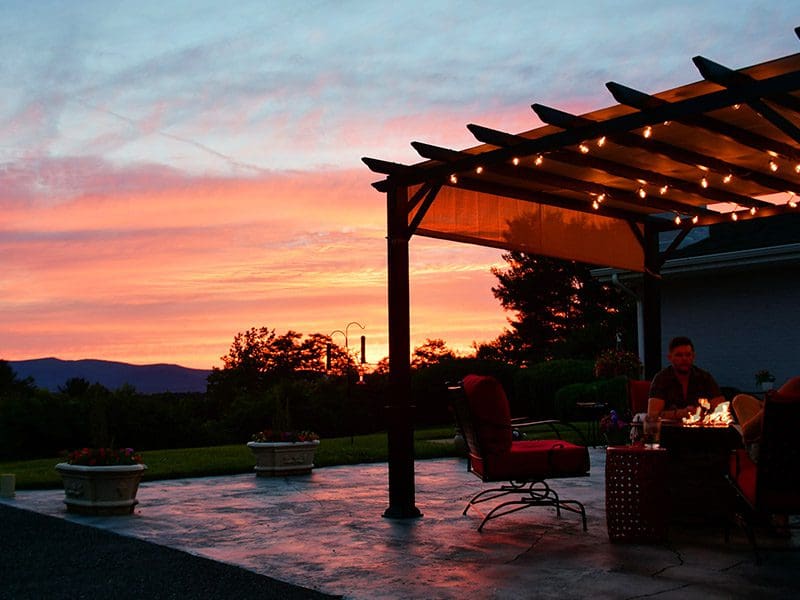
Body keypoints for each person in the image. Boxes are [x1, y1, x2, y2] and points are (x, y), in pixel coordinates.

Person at [648, 336, 724, 420]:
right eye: (679, 355)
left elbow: (722, 410)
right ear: (670, 357)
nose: (684, 359)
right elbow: (653, 414)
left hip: (700, 430)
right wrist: (681, 414)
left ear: (693, 356)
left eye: (688, 355)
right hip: (670, 430)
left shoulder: (705, 378)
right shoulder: (661, 379)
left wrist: (703, 415)